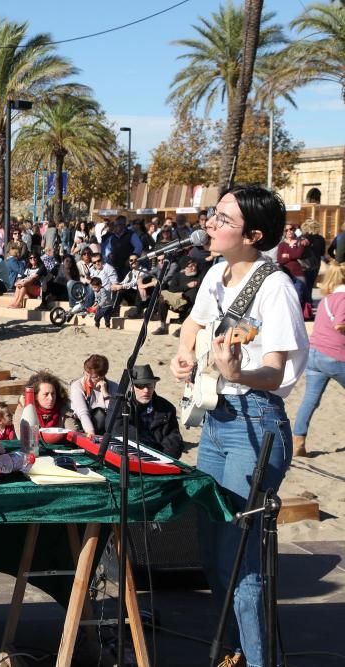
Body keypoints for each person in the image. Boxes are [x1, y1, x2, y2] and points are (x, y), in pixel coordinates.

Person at [170, 184, 308, 667]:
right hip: (215, 420)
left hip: (255, 422)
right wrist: (186, 353)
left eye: (222, 219)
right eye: (213, 214)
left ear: (253, 234)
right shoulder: (216, 274)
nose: (210, 224)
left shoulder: (275, 287)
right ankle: (230, 652)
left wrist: (237, 372)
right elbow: (194, 323)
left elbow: (274, 372)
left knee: (241, 559)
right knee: (210, 549)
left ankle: (257, 661)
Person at [291, 261, 345, 457]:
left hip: (315, 354)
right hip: (335, 356)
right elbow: (340, 325)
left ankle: (298, 441)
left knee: (310, 400)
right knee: (310, 399)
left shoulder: (327, 299)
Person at [112, 364, 184, 459]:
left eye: (149, 385)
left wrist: (165, 460)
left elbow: (173, 440)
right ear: (131, 387)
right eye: (140, 386)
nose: (146, 390)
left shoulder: (166, 408)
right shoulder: (119, 404)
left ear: (155, 385)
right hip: (129, 455)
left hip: (159, 457)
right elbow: (116, 431)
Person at [68, 355, 118, 438]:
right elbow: (83, 413)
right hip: (85, 429)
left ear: (102, 376)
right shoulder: (77, 386)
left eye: (93, 377)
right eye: (86, 374)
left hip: (106, 431)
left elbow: (115, 414)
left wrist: (106, 395)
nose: (88, 380)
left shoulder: (114, 387)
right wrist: (91, 434)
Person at [13, 371, 80, 431]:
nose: (51, 398)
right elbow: (23, 436)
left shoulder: (63, 409)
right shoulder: (24, 410)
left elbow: (73, 433)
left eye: (53, 394)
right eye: (46, 394)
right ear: (36, 396)